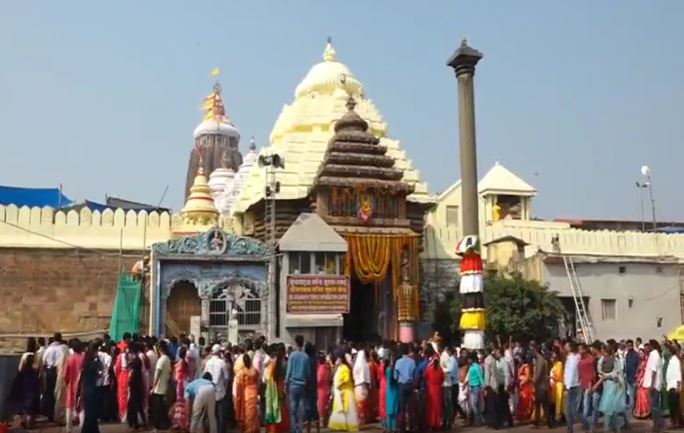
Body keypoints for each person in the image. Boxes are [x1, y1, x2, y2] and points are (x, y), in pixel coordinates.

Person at [597, 342, 626, 433]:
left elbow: (617, 373)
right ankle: (615, 429)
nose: (604, 353)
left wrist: (612, 378)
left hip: (613, 386)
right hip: (608, 385)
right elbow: (601, 372)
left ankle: (609, 429)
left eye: (605, 351)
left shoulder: (614, 360)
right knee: (611, 410)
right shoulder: (604, 360)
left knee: (609, 409)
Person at [7, 353, 40, 429]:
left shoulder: (22, 371)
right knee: (30, 410)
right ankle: (28, 423)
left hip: (24, 390)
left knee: (24, 407)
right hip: (32, 391)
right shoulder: (35, 371)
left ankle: (23, 420)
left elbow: (17, 381)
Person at [286, 335, 310, 433]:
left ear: (295, 343)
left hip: (293, 385)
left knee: (293, 411)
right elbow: (308, 373)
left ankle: (293, 430)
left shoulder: (292, 355)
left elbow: (289, 371)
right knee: (301, 411)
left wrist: (285, 383)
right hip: (302, 385)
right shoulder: (306, 356)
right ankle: (300, 430)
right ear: (302, 343)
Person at [328, 354, 359, 432]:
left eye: (338, 359)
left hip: (346, 392)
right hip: (341, 392)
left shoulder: (345, 368)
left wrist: (339, 385)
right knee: (342, 409)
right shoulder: (339, 368)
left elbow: (346, 379)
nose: (336, 361)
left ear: (341, 359)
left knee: (348, 410)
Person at [77, 342, 103, 433]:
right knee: (92, 414)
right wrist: (98, 360)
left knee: (89, 413)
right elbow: (100, 373)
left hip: (86, 390)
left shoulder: (85, 362)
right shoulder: (94, 363)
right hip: (92, 390)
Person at [204, 344, 229, 433]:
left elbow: (205, 377)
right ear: (219, 352)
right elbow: (226, 378)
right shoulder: (222, 363)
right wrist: (224, 387)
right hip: (220, 391)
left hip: (210, 391)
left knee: (212, 415)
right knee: (222, 415)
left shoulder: (208, 362)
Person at [265, 345, 290, 433]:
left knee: (272, 407)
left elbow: (266, 376)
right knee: (282, 407)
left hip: (272, 387)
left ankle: (272, 428)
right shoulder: (284, 363)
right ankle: (282, 427)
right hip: (281, 385)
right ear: (284, 352)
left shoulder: (272, 362)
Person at [41, 333, 64, 422]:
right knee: (57, 393)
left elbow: (43, 361)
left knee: (49, 393)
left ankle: (50, 414)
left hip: (49, 371)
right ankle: (57, 414)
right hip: (58, 371)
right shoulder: (61, 349)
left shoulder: (48, 349)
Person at [235, 354, 260, 433]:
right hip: (254, 392)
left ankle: (249, 430)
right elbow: (258, 382)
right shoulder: (255, 370)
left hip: (247, 393)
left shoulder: (242, 372)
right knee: (254, 412)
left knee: (247, 413)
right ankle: (254, 428)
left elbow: (239, 384)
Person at [64, 339, 85, 433]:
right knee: (82, 407)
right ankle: (82, 428)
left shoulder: (70, 358)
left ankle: (69, 429)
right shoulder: (85, 358)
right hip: (83, 386)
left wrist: (68, 383)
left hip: (72, 385)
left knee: (69, 406)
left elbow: (65, 375)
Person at [394, 344, 415, 433]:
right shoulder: (412, 361)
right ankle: (410, 427)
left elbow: (395, 376)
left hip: (401, 385)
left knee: (402, 408)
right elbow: (414, 374)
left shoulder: (398, 362)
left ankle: (402, 428)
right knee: (410, 408)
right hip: (410, 385)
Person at [150, 340, 171, 431]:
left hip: (158, 389)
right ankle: (165, 424)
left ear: (160, 349)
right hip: (164, 387)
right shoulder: (167, 359)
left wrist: (153, 387)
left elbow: (157, 375)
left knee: (157, 409)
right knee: (163, 408)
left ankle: (156, 426)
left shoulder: (161, 360)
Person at [645, 340, 664, 433]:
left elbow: (654, 371)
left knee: (654, 405)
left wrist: (652, 385)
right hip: (656, 384)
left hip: (654, 385)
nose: (647, 347)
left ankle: (658, 425)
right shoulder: (655, 355)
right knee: (655, 405)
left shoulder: (654, 355)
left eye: (649, 345)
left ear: (652, 346)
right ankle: (658, 424)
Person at [127, 343, 147, 430]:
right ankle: (142, 422)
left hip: (134, 386)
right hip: (138, 385)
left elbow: (133, 374)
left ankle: (135, 424)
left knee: (133, 405)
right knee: (138, 405)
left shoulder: (136, 361)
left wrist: (130, 382)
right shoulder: (138, 359)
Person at [533, 345, 553, 428]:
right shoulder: (540, 359)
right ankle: (536, 422)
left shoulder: (540, 360)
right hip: (540, 385)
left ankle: (549, 423)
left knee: (544, 405)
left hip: (541, 385)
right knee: (538, 404)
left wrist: (535, 381)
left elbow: (539, 373)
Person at [424, 353, 444, 431]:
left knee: (431, 407)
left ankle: (430, 423)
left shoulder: (429, 369)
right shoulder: (440, 369)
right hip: (438, 390)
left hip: (430, 390)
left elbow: (424, 376)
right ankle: (437, 423)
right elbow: (442, 380)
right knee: (438, 407)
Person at [564, 341, 581, 433]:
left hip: (572, 386)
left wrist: (568, 386)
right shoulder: (570, 357)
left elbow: (572, 372)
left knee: (572, 410)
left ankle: (587, 424)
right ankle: (569, 429)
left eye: (567, 345)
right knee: (569, 410)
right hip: (570, 385)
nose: (565, 347)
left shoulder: (574, 358)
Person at [171, 346, 190, 431]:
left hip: (180, 384)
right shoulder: (184, 362)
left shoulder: (181, 363)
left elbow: (178, 376)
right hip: (184, 382)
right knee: (182, 403)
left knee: (179, 402)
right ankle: (182, 422)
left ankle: (179, 422)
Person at [352, 346, 371, 426]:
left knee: (358, 404)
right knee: (363, 404)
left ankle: (358, 419)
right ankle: (362, 419)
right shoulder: (365, 365)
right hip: (363, 386)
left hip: (356, 386)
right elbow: (367, 377)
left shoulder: (356, 365)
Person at [483, 347, 501, 429]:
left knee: (491, 404)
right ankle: (497, 422)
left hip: (490, 384)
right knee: (495, 404)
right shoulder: (493, 360)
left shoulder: (487, 360)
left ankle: (493, 423)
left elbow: (487, 374)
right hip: (495, 383)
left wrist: (486, 385)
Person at [304, 343, 320, 433]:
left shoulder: (307, 359)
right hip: (314, 385)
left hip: (308, 385)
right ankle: (318, 430)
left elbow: (307, 373)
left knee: (308, 408)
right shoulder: (315, 359)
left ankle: (308, 430)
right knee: (314, 407)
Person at [666, 344, 682, 428]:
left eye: (668, 350)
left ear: (670, 351)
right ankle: (679, 422)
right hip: (670, 385)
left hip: (674, 385)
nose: (667, 352)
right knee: (676, 405)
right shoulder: (671, 360)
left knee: (673, 405)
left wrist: (678, 386)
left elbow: (678, 373)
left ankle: (674, 422)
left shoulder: (675, 360)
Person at [467, 351, 485, 426]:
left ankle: (478, 419)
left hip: (476, 387)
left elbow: (480, 376)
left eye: (469, 359)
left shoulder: (476, 367)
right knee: (475, 404)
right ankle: (480, 420)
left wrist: (483, 385)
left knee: (474, 404)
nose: (468, 360)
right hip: (471, 387)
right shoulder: (471, 367)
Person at [516, 353, 534, 423]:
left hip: (526, 386)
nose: (519, 360)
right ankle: (522, 417)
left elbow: (527, 377)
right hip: (522, 386)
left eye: (520, 358)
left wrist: (522, 382)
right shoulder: (521, 366)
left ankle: (527, 417)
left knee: (526, 401)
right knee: (521, 401)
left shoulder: (526, 366)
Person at [549, 347, 565, 423]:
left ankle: (558, 416)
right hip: (554, 385)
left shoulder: (559, 364)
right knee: (555, 402)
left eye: (553, 356)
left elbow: (558, 376)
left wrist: (551, 377)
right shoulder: (554, 365)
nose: (551, 358)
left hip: (558, 385)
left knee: (559, 402)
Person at [385, 353, 399, 433]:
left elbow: (388, 380)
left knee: (389, 410)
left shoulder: (388, 369)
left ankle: (389, 428)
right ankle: (394, 428)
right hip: (395, 390)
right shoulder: (396, 370)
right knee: (395, 410)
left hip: (389, 390)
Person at [317, 353, 332, 427]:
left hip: (321, 390)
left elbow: (318, 380)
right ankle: (326, 421)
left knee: (321, 407)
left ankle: (322, 422)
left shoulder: (321, 369)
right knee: (326, 406)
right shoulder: (327, 368)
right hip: (327, 388)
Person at [377, 354, 387, 432]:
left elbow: (378, 377)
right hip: (388, 385)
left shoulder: (380, 366)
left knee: (382, 404)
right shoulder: (390, 367)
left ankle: (383, 423)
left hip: (382, 385)